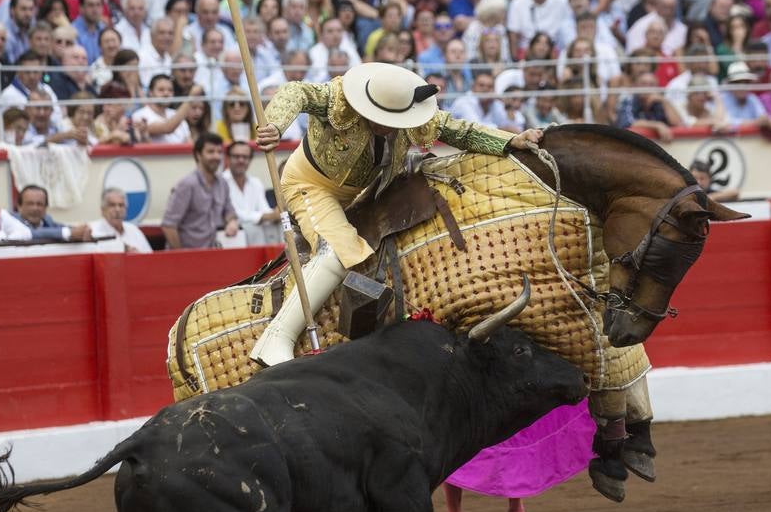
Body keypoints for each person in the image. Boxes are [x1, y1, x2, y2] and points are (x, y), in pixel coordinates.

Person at [249, 62, 543, 366]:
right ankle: (275, 337)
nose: (385, 125)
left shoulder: (411, 115)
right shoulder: (338, 98)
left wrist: (510, 140)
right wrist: (275, 124)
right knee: (336, 251)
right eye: (379, 117)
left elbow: (460, 131)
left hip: (361, 196)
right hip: (309, 184)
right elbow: (295, 91)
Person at [161, 133, 240, 251]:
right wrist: (181, 255)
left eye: (219, 152)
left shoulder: (223, 183)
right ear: (198, 155)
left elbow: (229, 211)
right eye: (211, 152)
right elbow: (168, 226)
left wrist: (232, 222)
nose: (216, 156)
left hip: (212, 254)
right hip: (188, 256)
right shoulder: (187, 184)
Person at [223, 140, 280, 246]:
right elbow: (232, 214)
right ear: (227, 158)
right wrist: (265, 216)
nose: (241, 160)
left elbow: (265, 210)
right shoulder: (221, 182)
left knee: (279, 224)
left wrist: (276, 213)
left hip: (257, 234)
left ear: (250, 160)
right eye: (236, 156)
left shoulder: (256, 182)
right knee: (252, 228)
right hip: (233, 237)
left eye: (245, 157)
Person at [92, 187, 152, 253]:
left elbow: (150, 257)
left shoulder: (134, 230)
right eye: (112, 205)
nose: (117, 210)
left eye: (121, 205)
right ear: (102, 210)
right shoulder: (93, 232)